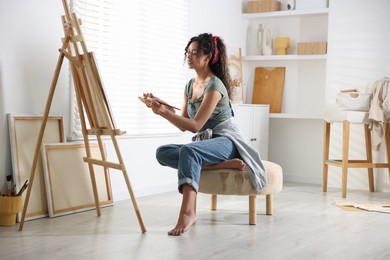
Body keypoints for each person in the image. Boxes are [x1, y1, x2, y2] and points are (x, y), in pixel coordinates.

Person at [143, 33, 266, 236]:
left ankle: (188, 213)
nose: (189, 56)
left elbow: (195, 125)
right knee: (162, 152)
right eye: (188, 52)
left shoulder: (215, 86)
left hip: (226, 140)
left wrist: (163, 112)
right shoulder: (190, 86)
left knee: (189, 153)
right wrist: (162, 108)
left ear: (207, 56)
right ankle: (222, 164)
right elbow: (183, 124)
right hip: (206, 143)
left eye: (194, 52)